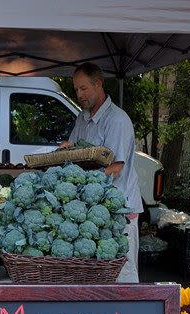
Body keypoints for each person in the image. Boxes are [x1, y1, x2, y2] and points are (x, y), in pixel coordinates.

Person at [61, 62, 143, 283]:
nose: (79, 94)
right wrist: (68, 150)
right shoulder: (83, 118)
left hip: (120, 210)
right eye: (76, 89)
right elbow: (78, 152)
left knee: (122, 273)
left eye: (83, 88)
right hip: (94, 208)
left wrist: (86, 180)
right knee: (98, 276)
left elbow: (116, 167)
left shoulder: (117, 120)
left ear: (98, 84)